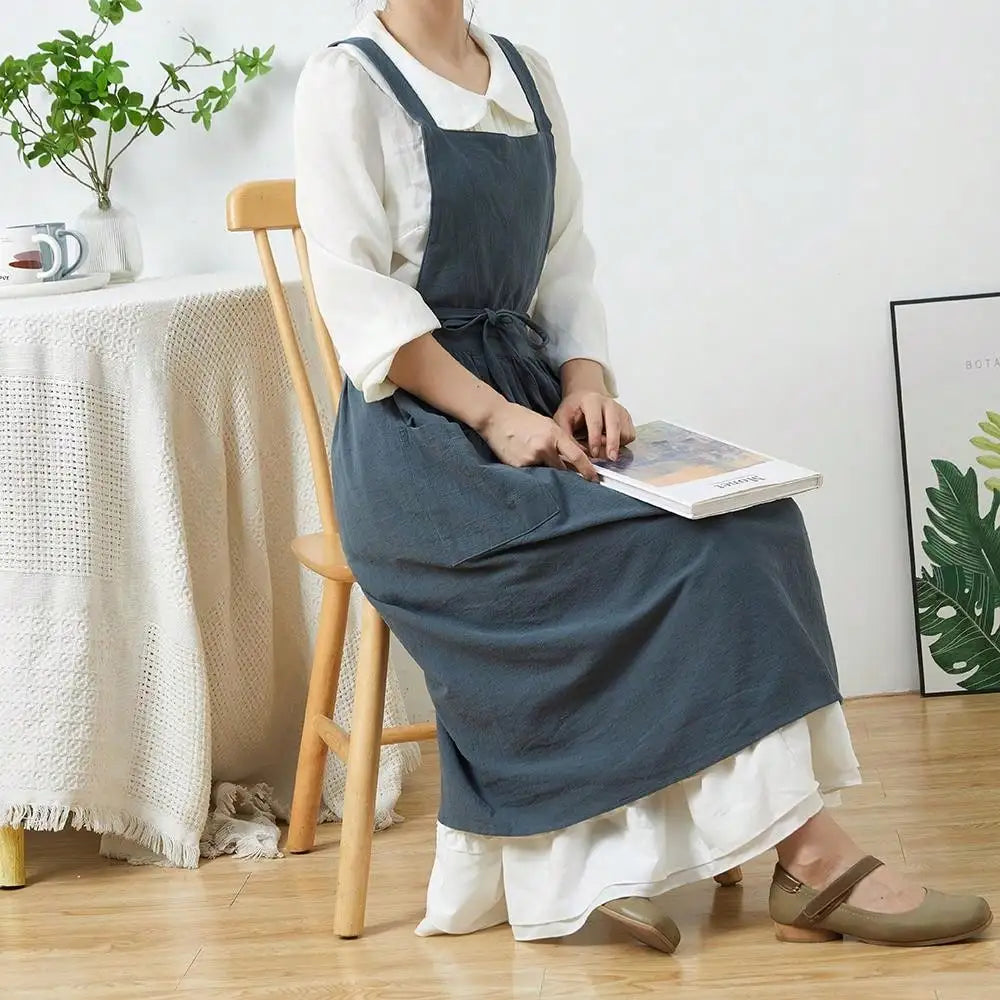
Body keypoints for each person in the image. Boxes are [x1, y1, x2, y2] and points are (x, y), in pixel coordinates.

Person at [293, 0, 992, 950]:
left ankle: (660, 853)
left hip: (538, 408)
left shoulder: (526, 77)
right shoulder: (347, 83)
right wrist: (493, 416)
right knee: (653, 557)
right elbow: (358, 303)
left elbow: (564, 268)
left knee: (754, 524)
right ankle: (788, 861)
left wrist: (585, 381)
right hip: (422, 447)